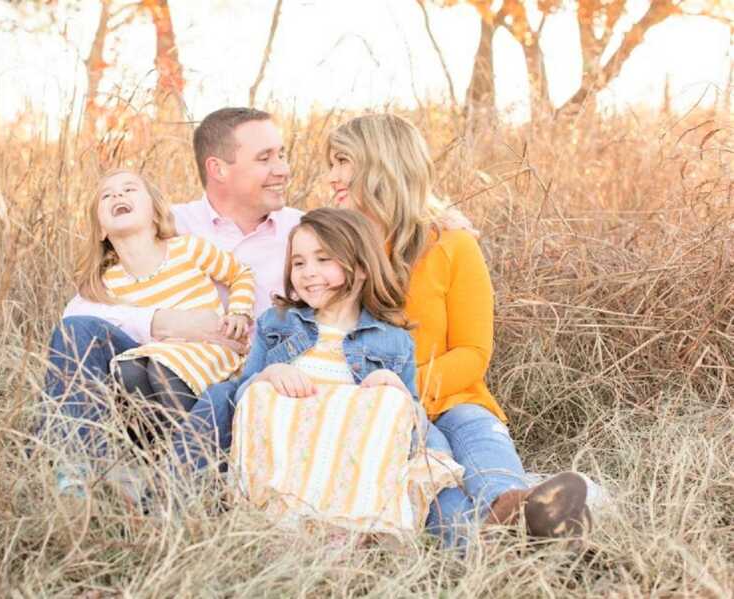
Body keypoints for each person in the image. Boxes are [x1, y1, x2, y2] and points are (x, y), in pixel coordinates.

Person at [323, 113, 591, 546]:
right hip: (381, 409)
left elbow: (472, 351)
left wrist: (417, 389)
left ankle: (521, 510)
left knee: (479, 433)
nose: (331, 175)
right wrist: (399, 400)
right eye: (332, 163)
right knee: (434, 479)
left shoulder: (453, 246)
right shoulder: (334, 252)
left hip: (455, 397)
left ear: (382, 165)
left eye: (342, 161)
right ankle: (487, 547)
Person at [40, 108, 300, 474]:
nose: (283, 170)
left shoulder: (303, 233)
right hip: (159, 364)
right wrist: (166, 323)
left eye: (282, 155)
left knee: (214, 397)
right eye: (265, 158)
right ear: (218, 169)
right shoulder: (166, 223)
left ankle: (160, 492)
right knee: (84, 336)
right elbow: (77, 315)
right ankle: (76, 476)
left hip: (246, 377)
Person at [229, 208, 464, 536]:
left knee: (392, 402)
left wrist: (392, 387)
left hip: (346, 468)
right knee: (258, 391)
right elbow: (241, 396)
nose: (308, 272)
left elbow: (412, 429)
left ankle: (350, 523)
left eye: (323, 259)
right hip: (287, 463)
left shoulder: (393, 342)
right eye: (299, 262)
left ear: (361, 267)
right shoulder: (276, 323)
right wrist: (270, 374)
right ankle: (281, 516)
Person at [40, 168, 254, 468]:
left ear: (156, 214)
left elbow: (240, 274)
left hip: (205, 352)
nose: (118, 195)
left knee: (159, 372)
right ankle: (123, 460)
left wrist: (239, 312)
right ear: (101, 229)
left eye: (129, 189)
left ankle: (179, 461)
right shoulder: (106, 282)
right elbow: (73, 323)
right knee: (132, 370)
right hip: (153, 353)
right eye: (107, 195)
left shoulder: (188, 249)